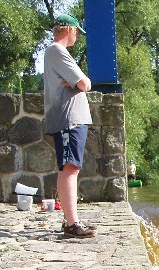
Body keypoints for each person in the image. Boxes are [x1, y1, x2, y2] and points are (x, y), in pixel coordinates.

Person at [44, 14, 96, 239]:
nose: (77, 37)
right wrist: (79, 81)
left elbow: (84, 83)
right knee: (69, 167)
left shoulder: (58, 53)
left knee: (71, 167)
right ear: (71, 30)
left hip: (72, 119)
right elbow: (84, 83)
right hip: (68, 118)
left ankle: (72, 221)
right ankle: (71, 224)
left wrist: (79, 81)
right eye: (77, 33)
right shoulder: (56, 51)